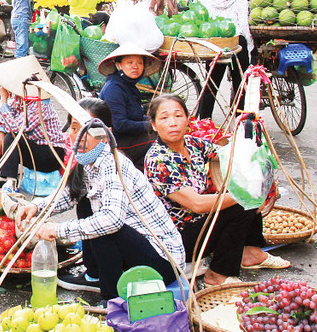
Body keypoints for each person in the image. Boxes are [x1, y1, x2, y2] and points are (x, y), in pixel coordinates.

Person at [15, 97, 185, 302]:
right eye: (75, 128)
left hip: (163, 261)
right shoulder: (90, 161)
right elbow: (70, 195)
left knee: (105, 223)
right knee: (85, 199)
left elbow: (111, 221)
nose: (78, 136)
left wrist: (57, 230)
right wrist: (37, 206)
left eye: (87, 129)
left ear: (105, 135)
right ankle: (94, 274)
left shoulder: (114, 165)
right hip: (136, 247)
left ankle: (111, 297)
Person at [144, 94, 291, 286]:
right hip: (177, 237)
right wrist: (243, 195)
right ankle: (218, 274)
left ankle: (251, 252)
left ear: (187, 119)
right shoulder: (159, 160)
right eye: (164, 118)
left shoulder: (192, 144)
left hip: (198, 225)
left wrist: (251, 142)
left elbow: (228, 156)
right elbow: (196, 204)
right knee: (239, 202)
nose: (173, 123)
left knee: (246, 189)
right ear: (154, 125)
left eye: (178, 116)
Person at [0, 56, 67, 187]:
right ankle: (1, 174)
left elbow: (16, 127)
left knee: (12, 137)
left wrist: (4, 101)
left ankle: (9, 180)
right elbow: (1, 122)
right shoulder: (20, 98)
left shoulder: (41, 103)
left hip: (50, 154)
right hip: (33, 146)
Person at [194, 0, 254, 119]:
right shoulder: (240, 1)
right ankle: (240, 121)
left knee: (211, 83)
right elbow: (244, 28)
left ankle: (205, 119)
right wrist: (250, 48)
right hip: (236, 42)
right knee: (240, 83)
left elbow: (200, 23)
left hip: (215, 42)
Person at [97, 43, 163, 168]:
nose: (135, 67)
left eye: (139, 63)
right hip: (116, 141)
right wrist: (152, 125)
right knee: (162, 141)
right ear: (119, 65)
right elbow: (120, 125)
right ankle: (136, 172)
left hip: (129, 136)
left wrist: (157, 120)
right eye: (130, 62)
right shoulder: (114, 88)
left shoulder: (129, 86)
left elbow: (136, 116)